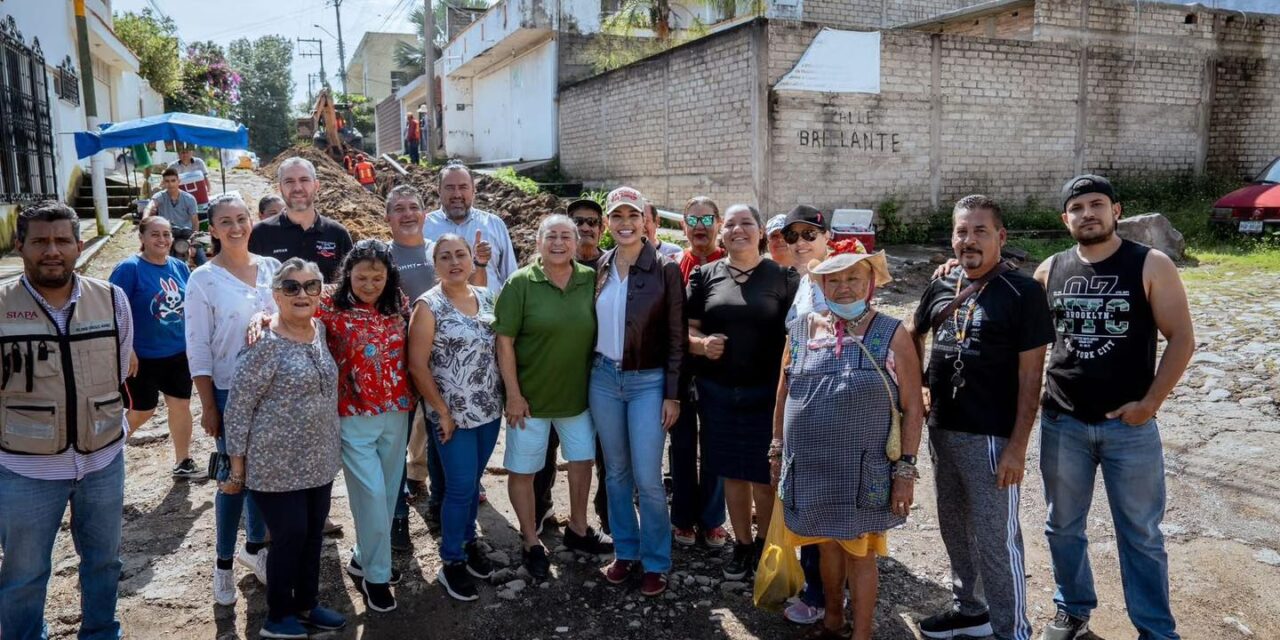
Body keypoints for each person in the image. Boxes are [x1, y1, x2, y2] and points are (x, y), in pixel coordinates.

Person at [1035, 176, 1194, 640]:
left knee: (1141, 535)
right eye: (1077, 207)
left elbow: (1181, 338)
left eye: (1097, 204)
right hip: (1063, 421)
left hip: (1131, 428)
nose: (1088, 213)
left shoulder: (1151, 264)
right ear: (1066, 219)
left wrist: (1150, 403)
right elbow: (1023, 335)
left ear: (1116, 210)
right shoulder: (1051, 269)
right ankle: (1073, 610)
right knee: (1062, 526)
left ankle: (1155, 629)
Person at [911, 195, 1054, 640]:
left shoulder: (1023, 292)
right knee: (955, 526)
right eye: (961, 231)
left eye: (980, 231)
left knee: (997, 540)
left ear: (1001, 237)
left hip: (991, 437)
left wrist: (1017, 447)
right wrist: (918, 383)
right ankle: (971, 610)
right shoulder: (940, 284)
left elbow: (1032, 380)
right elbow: (912, 335)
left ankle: (1013, 631)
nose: (968, 240)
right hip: (943, 430)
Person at [770, 239, 924, 640]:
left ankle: (863, 634)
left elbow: (912, 405)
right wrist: (776, 451)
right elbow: (783, 394)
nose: (844, 287)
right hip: (812, 467)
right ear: (820, 285)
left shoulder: (892, 333)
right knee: (825, 546)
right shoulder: (801, 331)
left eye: (853, 277)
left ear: (871, 281)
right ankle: (833, 620)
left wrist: (905, 470)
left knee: (861, 551)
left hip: (864, 469)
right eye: (833, 280)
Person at [0, 201, 134, 640]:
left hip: (102, 462)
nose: (52, 250)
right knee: (24, 574)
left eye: (62, 241)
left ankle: (100, 632)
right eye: (40, 241)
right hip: (24, 469)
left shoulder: (112, 299)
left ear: (80, 245)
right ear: (20, 245)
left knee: (104, 562)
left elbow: (117, 371)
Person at [222, 258, 347, 639]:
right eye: (291, 287)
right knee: (289, 534)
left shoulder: (320, 330)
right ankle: (278, 615)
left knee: (312, 534)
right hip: (275, 463)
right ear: (276, 294)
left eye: (311, 286)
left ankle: (307, 605)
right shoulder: (264, 343)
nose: (302, 294)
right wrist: (237, 469)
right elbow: (239, 408)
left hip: (319, 459)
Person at [494, 215, 614, 580]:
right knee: (524, 470)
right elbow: (504, 341)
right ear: (538, 242)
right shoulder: (520, 283)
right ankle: (530, 540)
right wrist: (513, 394)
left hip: (578, 398)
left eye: (566, 236)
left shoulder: (591, 279)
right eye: (552, 236)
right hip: (530, 401)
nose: (559, 242)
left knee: (581, 462)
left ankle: (578, 528)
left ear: (577, 243)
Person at [687, 203, 799, 580]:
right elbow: (687, 331)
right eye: (731, 224)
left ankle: (768, 546)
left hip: (767, 394)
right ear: (721, 233)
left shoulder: (783, 277)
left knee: (765, 474)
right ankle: (742, 545)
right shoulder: (704, 276)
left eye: (746, 223)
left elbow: (797, 336)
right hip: (718, 391)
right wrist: (701, 345)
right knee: (731, 473)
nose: (738, 230)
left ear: (762, 231)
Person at [590, 187, 685, 597]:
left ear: (646, 220)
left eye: (632, 215)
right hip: (603, 380)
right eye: (617, 216)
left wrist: (673, 393)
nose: (624, 223)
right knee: (615, 473)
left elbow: (678, 337)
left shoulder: (664, 269)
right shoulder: (601, 266)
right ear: (608, 223)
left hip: (648, 381)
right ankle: (625, 552)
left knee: (647, 477)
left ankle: (656, 560)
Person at [185, 193, 278, 605]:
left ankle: (254, 549)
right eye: (226, 221)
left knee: (264, 478)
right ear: (213, 229)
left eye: (242, 218)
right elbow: (198, 347)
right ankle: (223, 565)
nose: (236, 227)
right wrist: (208, 404)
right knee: (233, 479)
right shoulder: (203, 279)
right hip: (228, 392)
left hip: (276, 392)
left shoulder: (273, 269)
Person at [316, 241, 414, 613]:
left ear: (388, 277)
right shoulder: (328, 304)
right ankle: (376, 576)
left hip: (397, 410)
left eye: (378, 277)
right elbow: (291, 315)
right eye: (361, 277)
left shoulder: (399, 304)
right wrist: (262, 319)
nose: (370, 284)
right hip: (352, 413)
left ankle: (363, 557)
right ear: (347, 274)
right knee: (370, 496)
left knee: (388, 496)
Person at [407, 234, 503, 602]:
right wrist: (442, 412)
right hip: (452, 417)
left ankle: (467, 541)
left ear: (471, 259)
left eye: (460, 254)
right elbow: (417, 365)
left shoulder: (486, 297)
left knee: (473, 481)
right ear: (435, 265)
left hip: (488, 410)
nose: (454, 262)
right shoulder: (428, 306)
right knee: (461, 488)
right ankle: (452, 562)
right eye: (445, 257)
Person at [534, 196, 610, 535]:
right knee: (545, 449)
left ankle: (608, 516)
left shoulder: (613, 267)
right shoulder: (544, 269)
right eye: (577, 221)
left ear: (602, 228)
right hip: (556, 376)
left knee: (606, 452)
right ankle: (540, 511)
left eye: (592, 222)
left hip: (604, 375)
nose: (584, 227)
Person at [777, 204, 833, 626]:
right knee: (811, 501)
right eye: (792, 236)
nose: (799, 243)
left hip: (828, 407)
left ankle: (823, 596)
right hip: (804, 403)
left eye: (808, 235)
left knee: (821, 506)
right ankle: (824, 588)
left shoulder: (834, 280)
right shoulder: (805, 282)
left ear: (826, 236)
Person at [109, 216, 197, 477]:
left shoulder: (180, 268)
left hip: (177, 353)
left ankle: (184, 461)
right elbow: (112, 310)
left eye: (167, 234)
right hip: (141, 357)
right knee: (141, 411)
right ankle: (102, 459)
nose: (162, 240)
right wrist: (127, 349)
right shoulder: (129, 268)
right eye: (155, 234)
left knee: (180, 405)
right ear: (142, 238)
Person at [669, 196, 728, 549]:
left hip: (722, 370)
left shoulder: (733, 264)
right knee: (681, 445)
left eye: (708, 218)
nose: (700, 226)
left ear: (719, 223)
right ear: (683, 226)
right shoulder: (674, 265)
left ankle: (712, 519)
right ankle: (682, 518)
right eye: (693, 219)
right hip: (681, 369)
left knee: (716, 445)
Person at [249, 156, 355, 283]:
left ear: (316, 185)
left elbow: (348, 285)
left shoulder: (337, 234)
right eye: (289, 181)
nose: (297, 188)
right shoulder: (260, 234)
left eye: (304, 180)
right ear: (280, 188)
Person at [424, 163, 515, 294]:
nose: (457, 194)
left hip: (491, 311)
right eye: (450, 188)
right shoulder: (424, 227)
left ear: (473, 191)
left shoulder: (494, 225)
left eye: (463, 187)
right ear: (439, 191)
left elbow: (510, 277)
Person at [146, 167, 205, 265]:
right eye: (167, 181)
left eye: (173, 181)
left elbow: (195, 221)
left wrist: (193, 241)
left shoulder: (189, 198)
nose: (170, 184)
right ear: (163, 183)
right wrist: (145, 219)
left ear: (179, 181)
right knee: (151, 259)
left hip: (187, 234)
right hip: (166, 235)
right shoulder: (159, 196)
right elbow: (150, 206)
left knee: (202, 260)